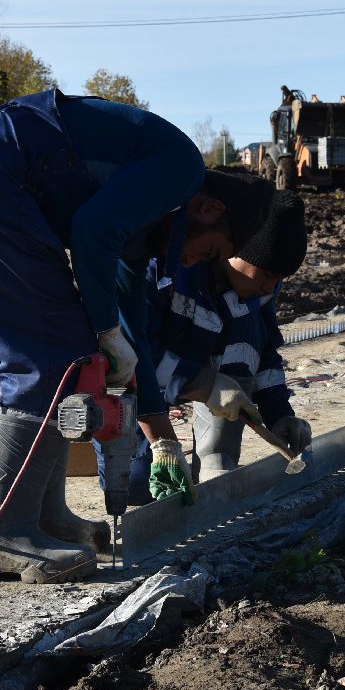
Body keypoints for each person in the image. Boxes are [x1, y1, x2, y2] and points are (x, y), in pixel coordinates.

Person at [0, 89, 287, 583]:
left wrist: (157, 430)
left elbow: (128, 334)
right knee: (53, 359)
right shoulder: (180, 167)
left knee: (45, 355)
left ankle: (40, 515)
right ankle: (1, 535)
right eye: (211, 253)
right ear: (208, 210)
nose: (194, 264)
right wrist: (102, 330)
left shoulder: (148, 215)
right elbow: (91, 231)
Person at [142, 189, 310, 489]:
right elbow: (137, 355)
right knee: (143, 484)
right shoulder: (175, 264)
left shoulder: (259, 291)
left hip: (199, 387)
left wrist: (279, 415)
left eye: (278, 279)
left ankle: (216, 459)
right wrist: (201, 385)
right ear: (239, 249)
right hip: (143, 400)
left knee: (199, 483)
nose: (269, 287)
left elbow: (264, 356)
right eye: (267, 273)